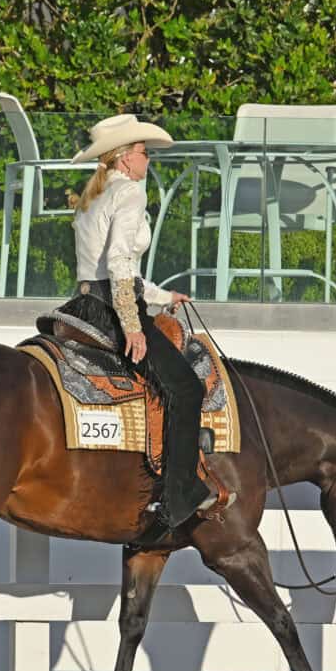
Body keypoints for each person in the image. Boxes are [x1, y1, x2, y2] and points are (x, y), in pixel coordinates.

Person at [58, 113, 233, 528]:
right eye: (142, 152)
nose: (147, 159)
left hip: (83, 304)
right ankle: (178, 496)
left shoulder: (93, 197)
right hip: (114, 310)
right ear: (123, 159)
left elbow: (111, 270)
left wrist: (162, 297)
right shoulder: (130, 194)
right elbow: (119, 262)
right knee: (186, 388)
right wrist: (133, 325)